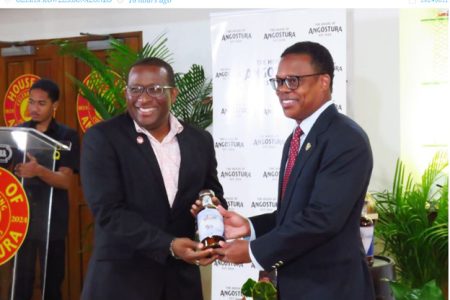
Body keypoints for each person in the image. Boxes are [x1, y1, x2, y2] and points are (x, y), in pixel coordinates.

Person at [213, 41, 375, 299]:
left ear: (323, 81)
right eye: (278, 82)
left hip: (331, 289)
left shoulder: (345, 138)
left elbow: (321, 219)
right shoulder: (296, 138)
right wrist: (249, 226)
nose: (281, 90)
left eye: (293, 81)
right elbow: (293, 214)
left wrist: (253, 251)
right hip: (297, 286)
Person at [80, 57, 226, 300]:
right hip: (121, 282)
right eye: (134, 89)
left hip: (181, 284)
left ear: (174, 94)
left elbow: (212, 193)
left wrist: (207, 206)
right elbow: (108, 212)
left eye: (155, 89)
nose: (143, 98)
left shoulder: (199, 140)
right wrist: (169, 245)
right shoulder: (103, 138)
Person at [13, 78, 80, 300]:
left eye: (41, 103)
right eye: (31, 102)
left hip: (53, 219)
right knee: (20, 281)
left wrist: (38, 171)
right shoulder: (17, 133)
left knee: (51, 283)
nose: (34, 108)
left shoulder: (66, 135)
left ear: (55, 105)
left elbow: (66, 181)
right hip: (21, 218)